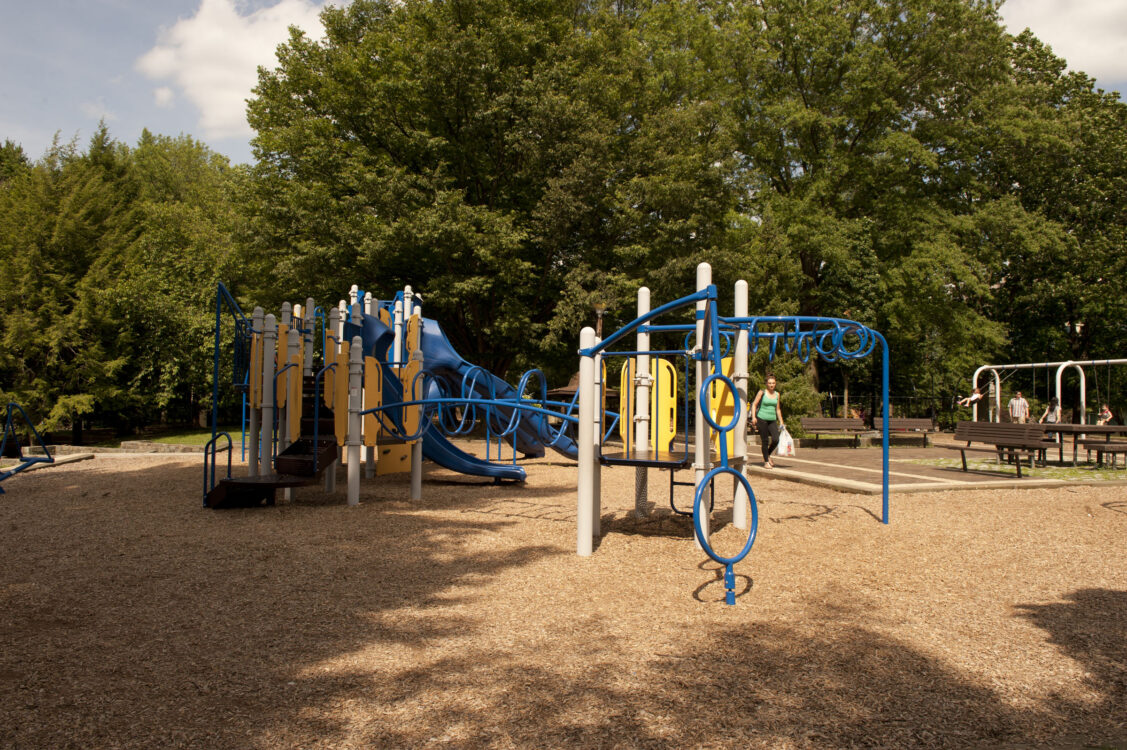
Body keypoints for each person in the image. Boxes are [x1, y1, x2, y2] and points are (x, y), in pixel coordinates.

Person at [750, 373, 785, 469]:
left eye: (773, 383)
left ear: (775, 383)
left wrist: (781, 421)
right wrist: (754, 417)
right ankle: (766, 462)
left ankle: (767, 455)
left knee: (776, 439)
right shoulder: (762, 392)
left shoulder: (777, 394)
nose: (771, 385)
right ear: (766, 384)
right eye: (769, 383)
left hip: (772, 419)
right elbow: (754, 404)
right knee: (765, 441)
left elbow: (778, 409)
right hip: (761, 419)